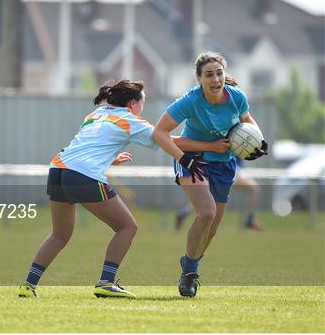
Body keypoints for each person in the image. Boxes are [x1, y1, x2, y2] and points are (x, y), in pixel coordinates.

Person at [18, 79, 199, 300]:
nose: (142, 107)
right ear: (133, 103)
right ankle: (106, 282)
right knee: (127, 227)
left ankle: (28, 285)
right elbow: (165, 139)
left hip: (58, 169)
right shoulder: (131, 120)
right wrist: (209, 145)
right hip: (82, 174)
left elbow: (87, 146)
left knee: (60, 234)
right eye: (142, 102)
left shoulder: (97, 113)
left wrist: (109, 160)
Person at [152, 52, 268, 298]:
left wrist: (257, 140)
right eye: (209, 75)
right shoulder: (189, 101)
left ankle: (189, 262)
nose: (215, 79)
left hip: (223, 164)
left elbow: (247, 120)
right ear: (199, 79)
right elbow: (160, 133)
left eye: (219, 73)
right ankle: (190, 276)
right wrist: (198, 151)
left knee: (212, 228)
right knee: (207, 213)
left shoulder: (236, 97)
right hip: (193, 159)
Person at [174, 156, 264, 231]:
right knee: (254, 189)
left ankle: (184, 213)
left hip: (233, 168)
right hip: (231, 167)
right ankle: (249, 219)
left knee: (209, 198)